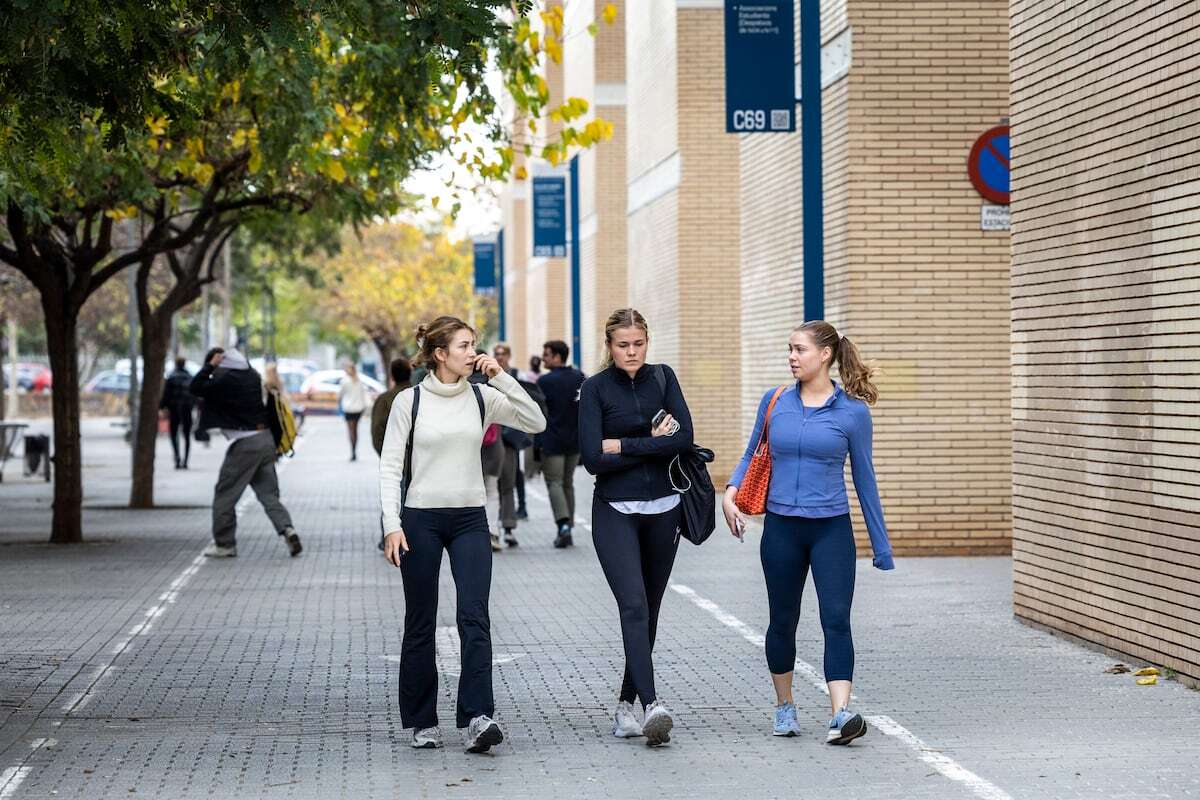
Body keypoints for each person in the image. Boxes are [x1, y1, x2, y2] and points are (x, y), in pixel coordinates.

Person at [722, 321, 894, 746]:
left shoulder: (852, 411)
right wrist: (730, 494)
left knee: (836, 619)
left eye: (799, 350)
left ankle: (840, 714)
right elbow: (752, 452)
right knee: (783, 620)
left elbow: (865, 479)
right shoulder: (775, 400)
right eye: (790, 350)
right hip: (781, 530)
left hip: (831, 530)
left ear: (826, 356)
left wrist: (881, 546)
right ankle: (784, 706)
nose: (792, 357)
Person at [379, 316, 545, 753]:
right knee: (421, 620)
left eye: (474, 345)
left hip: (471, 518)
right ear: (440, 354)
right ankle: (421, 721)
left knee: (475, 616)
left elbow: (535, 421)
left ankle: (477, 716)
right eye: (465, 346)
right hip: (420, 520)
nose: (474, 353)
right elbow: (390, 467)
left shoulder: (481, 396)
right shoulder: (409, 402)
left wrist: (502, 377)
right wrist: (391, 524)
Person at [578, 308, 693, 747]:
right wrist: (654, 444)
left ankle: (625, 704)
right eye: (623, 345)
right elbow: (592, 458)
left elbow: (683, 438)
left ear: (647, 341)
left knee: (650, 610)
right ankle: (652, 704)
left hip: (665, 509)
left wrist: (624, 444)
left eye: (638, 343)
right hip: (614, 511)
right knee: (633, 605)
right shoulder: (594, 389)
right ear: (609, 346)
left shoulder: (663, 377)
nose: (631, 352)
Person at [190, 347, 302, 559]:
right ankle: (288, 529)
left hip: (246, 444)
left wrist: (210, 366)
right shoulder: (250, 375)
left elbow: (195, 387)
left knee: (225, 492)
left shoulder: (226, 379)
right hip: (266, 440)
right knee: (268, 494)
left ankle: (224, 544)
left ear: (220, 362)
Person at [491, 343, 545, 546]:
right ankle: (493, 529)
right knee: (491, 487)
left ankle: (508, 527)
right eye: (497, 354)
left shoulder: (516, 376)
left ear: (509, 355)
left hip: (509, 441)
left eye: (503, 354)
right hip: (491, 440)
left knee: (508, 484)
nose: (500, 357)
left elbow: (527, 403)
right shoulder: (488, 376)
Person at [537, 339, 586, 548]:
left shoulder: (545, 381)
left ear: (557, 356)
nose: (543, 358)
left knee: (554, 483)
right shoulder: (580, 377)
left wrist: (537, 445)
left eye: (546, 354)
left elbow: (538, 414)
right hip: (575, 441)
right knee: (567, 482)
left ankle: (563, 525)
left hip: (553, 441)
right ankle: (569, 526)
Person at [371, 357, 413, 457]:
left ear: (392, 376)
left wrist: (387, 457)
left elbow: (377, 431)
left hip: (394, 457)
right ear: (410, 374)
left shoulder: (383, 400)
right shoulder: (422, 396)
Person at [160, 357, 195, 469]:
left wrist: (162, 407)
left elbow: (165, 395)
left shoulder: (171, 378)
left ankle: (177, 457)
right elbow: (194, 395)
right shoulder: (190, 377)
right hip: (187, 409)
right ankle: (185, 461)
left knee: (174, 434)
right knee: (187, 435)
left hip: (174, 409)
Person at [338, 363, 369, 461]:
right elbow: (363, 395)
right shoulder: (359, 381)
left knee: (350, 430)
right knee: (355, 430)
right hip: (358, 409)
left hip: (348, 409)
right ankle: (354, 450)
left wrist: (339, 403)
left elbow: (340, 395)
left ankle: (353, 452)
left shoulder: (344, 381)